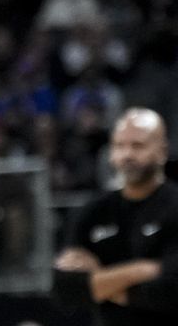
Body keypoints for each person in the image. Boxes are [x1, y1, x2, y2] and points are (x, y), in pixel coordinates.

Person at [52, 107, 178, 325]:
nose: (127, 155)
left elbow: (170, 292)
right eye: (120, 146)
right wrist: (143, 270)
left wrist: (98, 280)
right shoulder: (92, 211)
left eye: (138, 146)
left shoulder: (174, 206)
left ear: (162, 151)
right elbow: (66, 291)